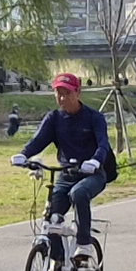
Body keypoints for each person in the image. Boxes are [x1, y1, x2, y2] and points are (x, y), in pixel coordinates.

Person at [11, 71, 118, 256]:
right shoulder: (54, 119)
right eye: (58, 93)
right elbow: (38, 141)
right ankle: (58, 259)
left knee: (79, 193)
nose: (62, 98)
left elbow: (103, 145)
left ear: (78, 92)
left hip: (92, 174)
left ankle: (84, 245)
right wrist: (23, 155)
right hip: (66, 175)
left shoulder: (94, 118)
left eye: (67, 93)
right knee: (51, 217)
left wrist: (94, 161)